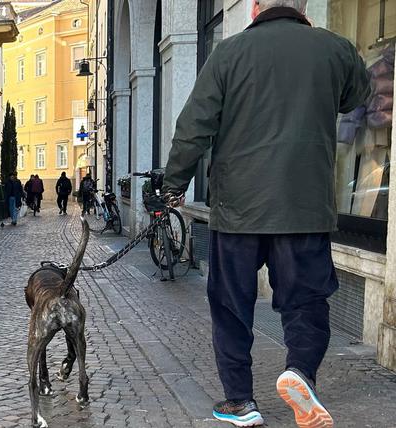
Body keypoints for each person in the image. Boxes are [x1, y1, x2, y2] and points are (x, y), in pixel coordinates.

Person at [160, 1, 369, 427]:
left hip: (238, 208)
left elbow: (194, 126)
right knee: (306, 301)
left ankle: (240, 401)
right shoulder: (336, 49)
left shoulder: (228, 53)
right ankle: (300, 372)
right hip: (304, 206)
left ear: (255, 6)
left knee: (231, 305)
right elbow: (356, 96)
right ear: (305, 7)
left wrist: (173, 185)